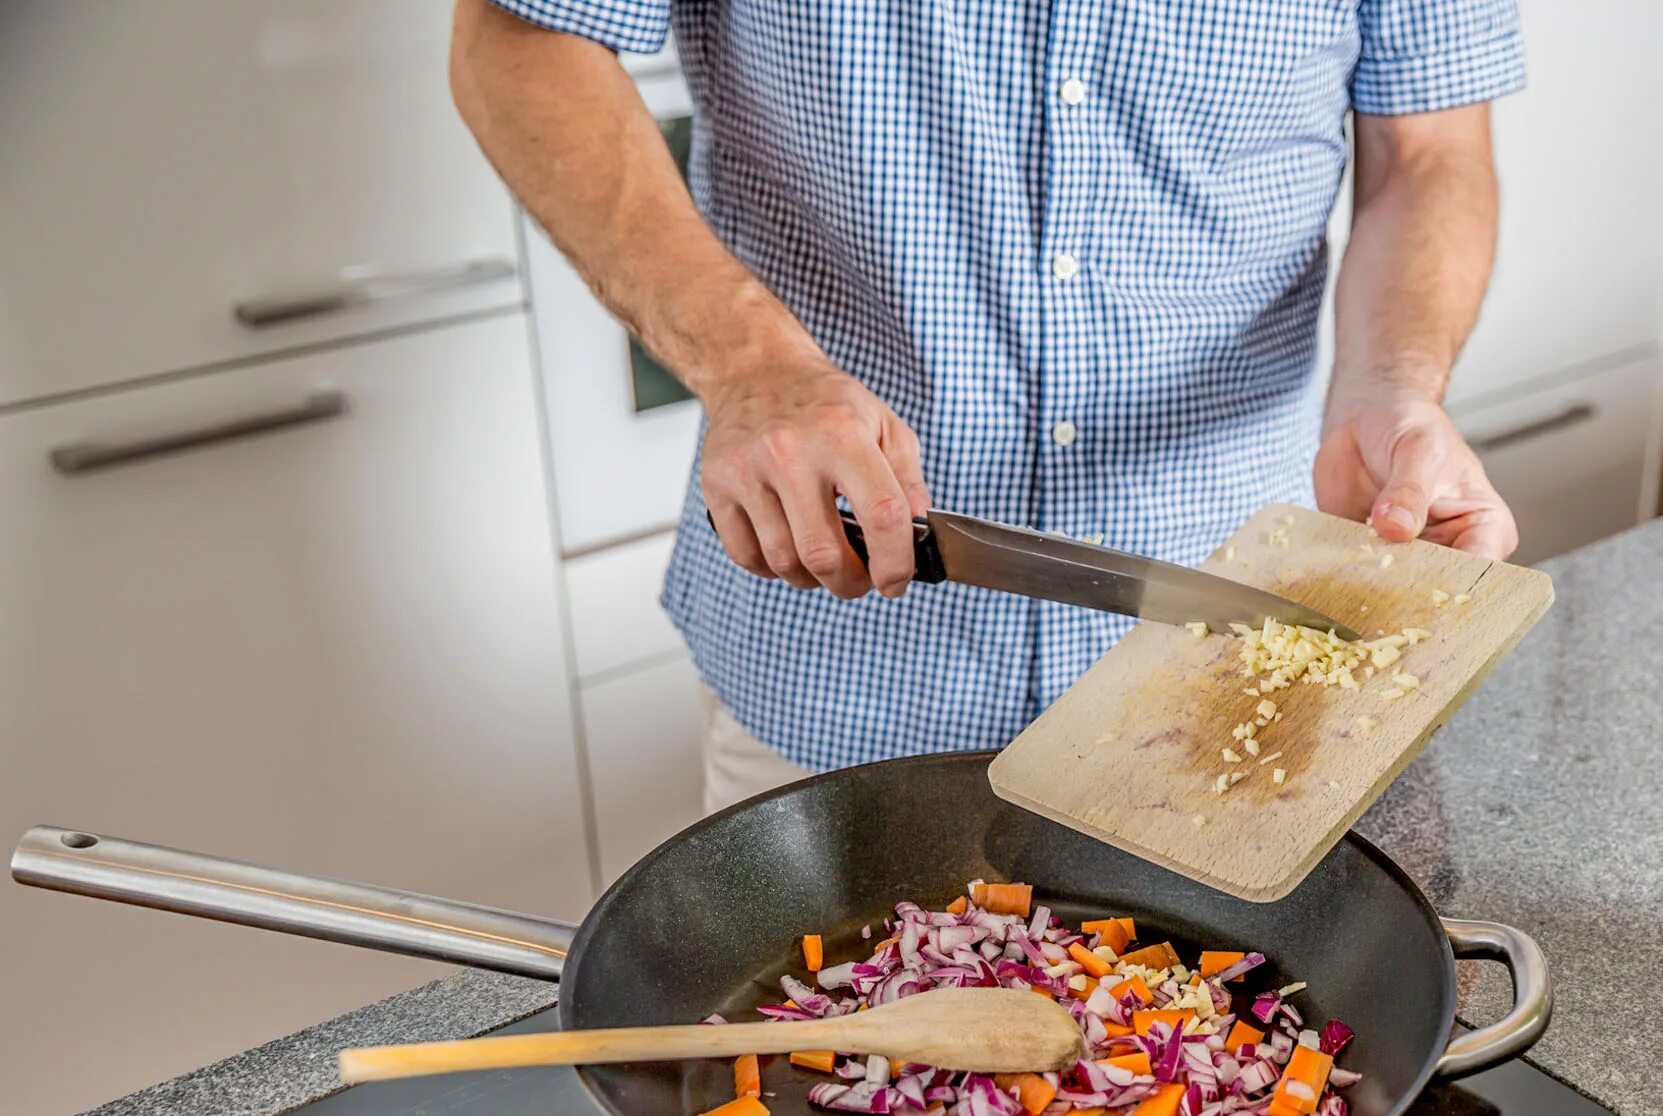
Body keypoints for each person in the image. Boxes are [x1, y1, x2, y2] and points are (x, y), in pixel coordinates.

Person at [450, 0, 1525, 812]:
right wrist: (748, 364)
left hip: (1232, 657)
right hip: (842, 667)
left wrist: (1393, 386)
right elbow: (518, 42)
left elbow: (1429, 155)